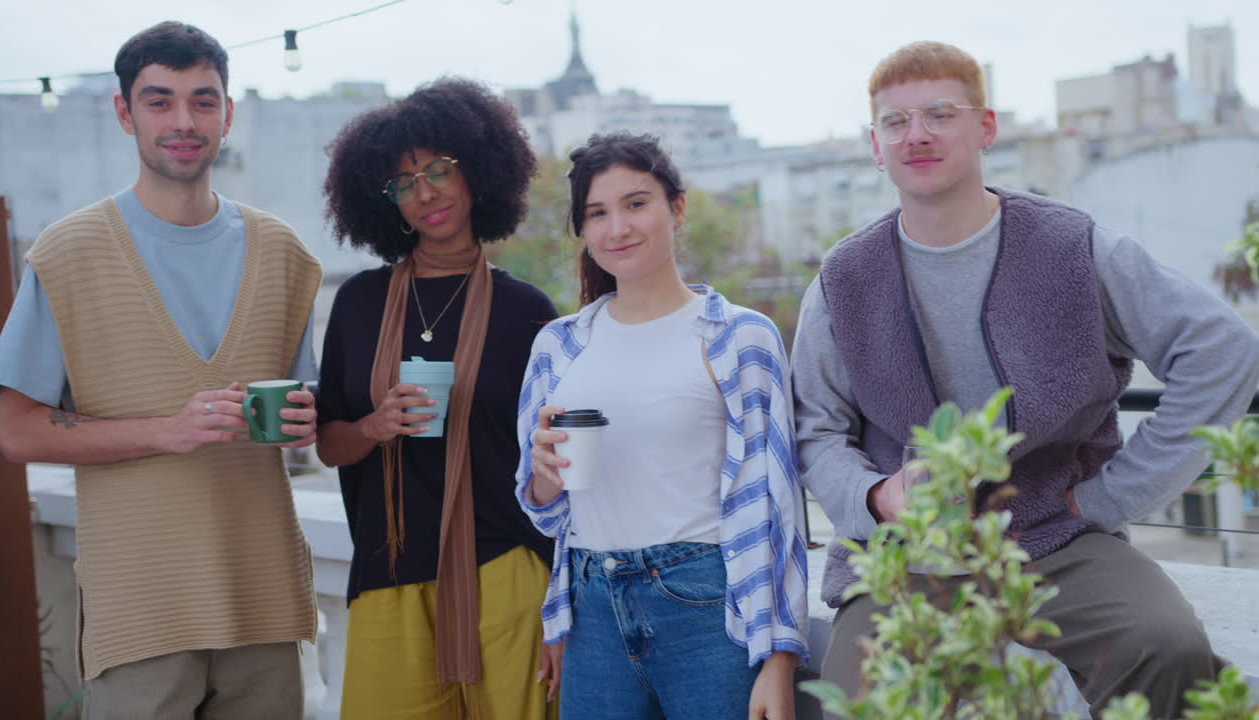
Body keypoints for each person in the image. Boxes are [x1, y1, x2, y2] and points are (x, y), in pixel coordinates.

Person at [792, 40, 1259, 719]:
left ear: (986, 127)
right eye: (895, 122)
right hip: (905, 557)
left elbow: (1223, 350)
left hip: (1056, 536)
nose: (916, 134)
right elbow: (816, 427)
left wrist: (1107, 498)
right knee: (861, 697)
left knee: (1165, 646)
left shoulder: (1073, 247)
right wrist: (876, 496)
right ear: (875, 144)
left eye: (939, 113)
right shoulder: (844, 278)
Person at [0, 21, 322, 718]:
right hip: (141, 612)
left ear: (228, 114)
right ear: (123, 112)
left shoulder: (283, 252)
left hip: (265, 603)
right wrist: (166, 431)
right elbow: (16, 431)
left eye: (203, 101)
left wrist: (303, 424)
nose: (183, 121)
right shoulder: (69, 252)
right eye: (159, 100)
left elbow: (300, 421)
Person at [517, 132, 809, 720]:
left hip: (705, 603)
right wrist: (544, 473)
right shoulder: (559, 346)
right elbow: (544, 508)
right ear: (582, 230)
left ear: (676, 209)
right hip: (593, 607)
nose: (617, 228)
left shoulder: (738, 336)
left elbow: (774, 501)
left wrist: (778, 659)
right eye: (596, 213)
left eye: (636, 203)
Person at [316, 77, 560, 719]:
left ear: (477, 172)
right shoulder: (358, 303)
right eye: (403, 183)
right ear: (386, 201)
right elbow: (329, 442)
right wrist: (373, 426)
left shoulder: (527, 312)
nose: (424, 193)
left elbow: (554, 461)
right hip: (389, 572)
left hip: (507, 573)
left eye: (438, 170)